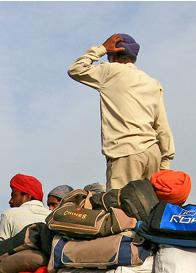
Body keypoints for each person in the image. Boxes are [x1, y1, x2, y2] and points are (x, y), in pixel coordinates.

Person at [68, 33, 174, 189]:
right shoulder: (152, 83)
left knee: (120, 208)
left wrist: (102, 48)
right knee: (148, 210)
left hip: (125, 151)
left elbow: (76, 69)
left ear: (114, 55)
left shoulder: (111, 71)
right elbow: (162, 127)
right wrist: (165, 164)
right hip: (153, 153)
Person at [0, 174, 50, 246]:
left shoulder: (10, 215)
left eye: (14, 196)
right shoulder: (53, 217)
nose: (10, 201)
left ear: (27, 197)